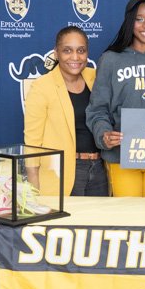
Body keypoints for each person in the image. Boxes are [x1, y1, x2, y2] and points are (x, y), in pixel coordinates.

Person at [86, 0, 145, 197]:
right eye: (139, 18)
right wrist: (104, 135)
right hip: (121, 156)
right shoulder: (110, 60)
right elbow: (97, 108)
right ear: (130, 22)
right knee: (128, 219)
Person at [23, 26, 106, 197]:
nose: (75, 57)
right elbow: (32, 142)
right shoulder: (41, 87)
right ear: (56, 53)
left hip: (99, 169)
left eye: (81, 51)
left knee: (99, 222)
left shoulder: (96, 77)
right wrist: (33, 188)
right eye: (67, 51)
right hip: (64, 171)